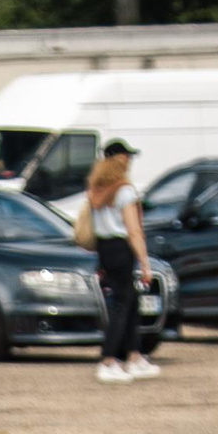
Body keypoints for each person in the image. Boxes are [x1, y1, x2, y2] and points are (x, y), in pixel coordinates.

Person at [84, 140, 158, 383]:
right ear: (122, 160)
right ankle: (108, 360)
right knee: (121, 304)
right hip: (120, 246)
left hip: (104, 248)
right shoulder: (124, 190)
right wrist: (145, 262)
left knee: (129, 301)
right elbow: (133, 230)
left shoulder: (96, 188)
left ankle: (135, 356)